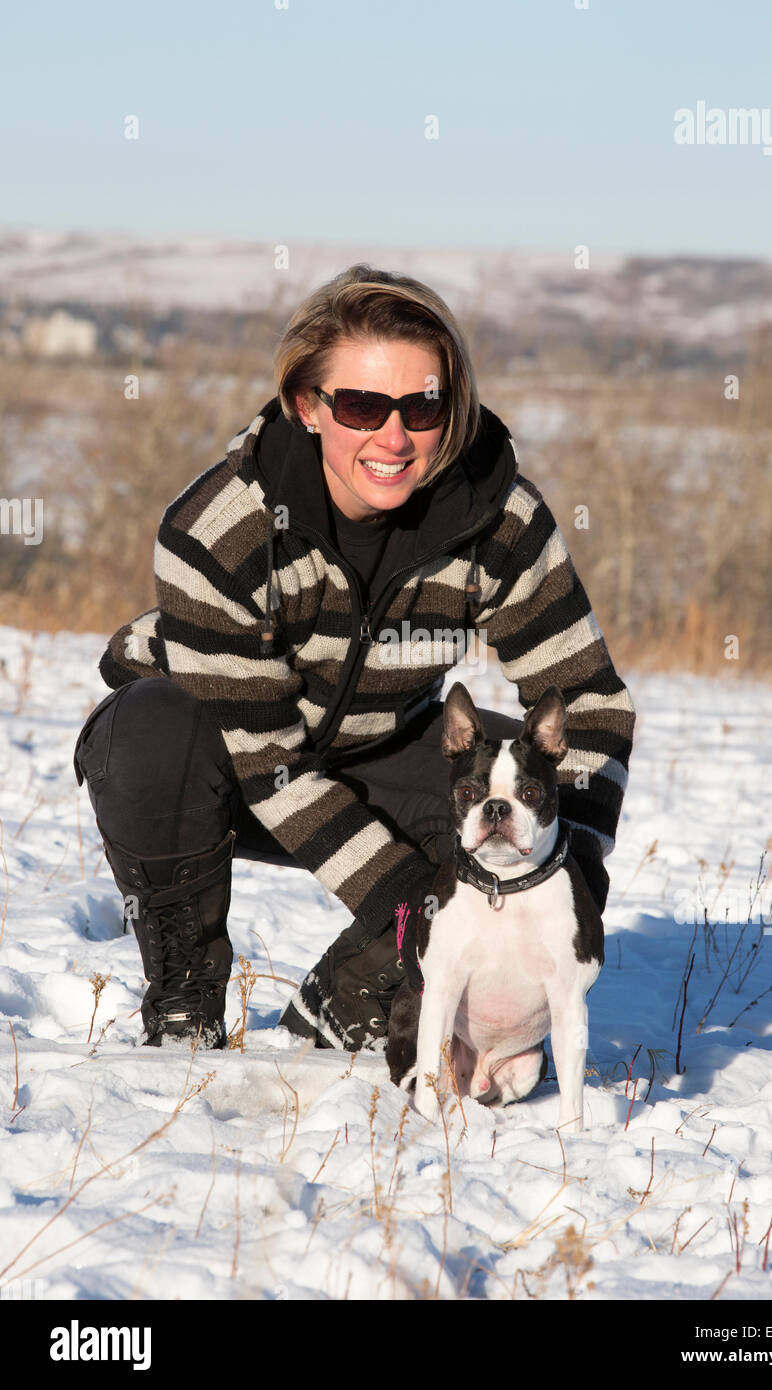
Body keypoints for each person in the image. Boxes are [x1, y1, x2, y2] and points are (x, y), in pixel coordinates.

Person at [73, 263, 636, 1052]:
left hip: (384, 747)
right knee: (151, 729)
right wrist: (412, 904)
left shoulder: (500, 522)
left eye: (423, 405)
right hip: (220, 768)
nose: (394, 437)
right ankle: (184, 1003)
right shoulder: (217, 531)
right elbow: (269, 765)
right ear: (308, 406)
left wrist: (569, 883)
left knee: (505, 769)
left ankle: (346, 999)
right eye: (364, 406)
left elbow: (587, 703)